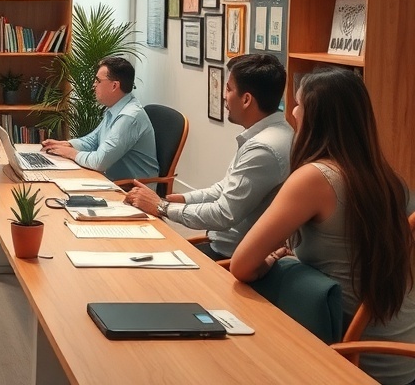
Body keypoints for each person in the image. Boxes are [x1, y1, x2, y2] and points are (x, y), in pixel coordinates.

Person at [230, 68, 415, 384]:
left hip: (351, 363)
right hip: (400, 360)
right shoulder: (391, 180)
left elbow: (241, 265)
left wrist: (276, 261)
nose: (293, 112)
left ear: (317, 118)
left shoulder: (314, 178)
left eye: (299, 104)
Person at [124, 54, 292, 260]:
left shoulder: (263, 149)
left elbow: (223, 214)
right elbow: (226, 188)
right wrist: (181, 199)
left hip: (228, 260)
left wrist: (162, 207)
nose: (223, 95)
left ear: (247, 99)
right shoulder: (273, 133)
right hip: (219, 246)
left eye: (229, 89)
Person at [40, 56, 158, 182]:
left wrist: (69, 152)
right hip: (111, 180)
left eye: (98, 81)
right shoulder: (115, 108)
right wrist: (66, 144)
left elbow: (99, 162)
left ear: (114, 85)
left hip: (132, 189)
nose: (93, 85)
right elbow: (93, 140)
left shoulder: (129, 117)